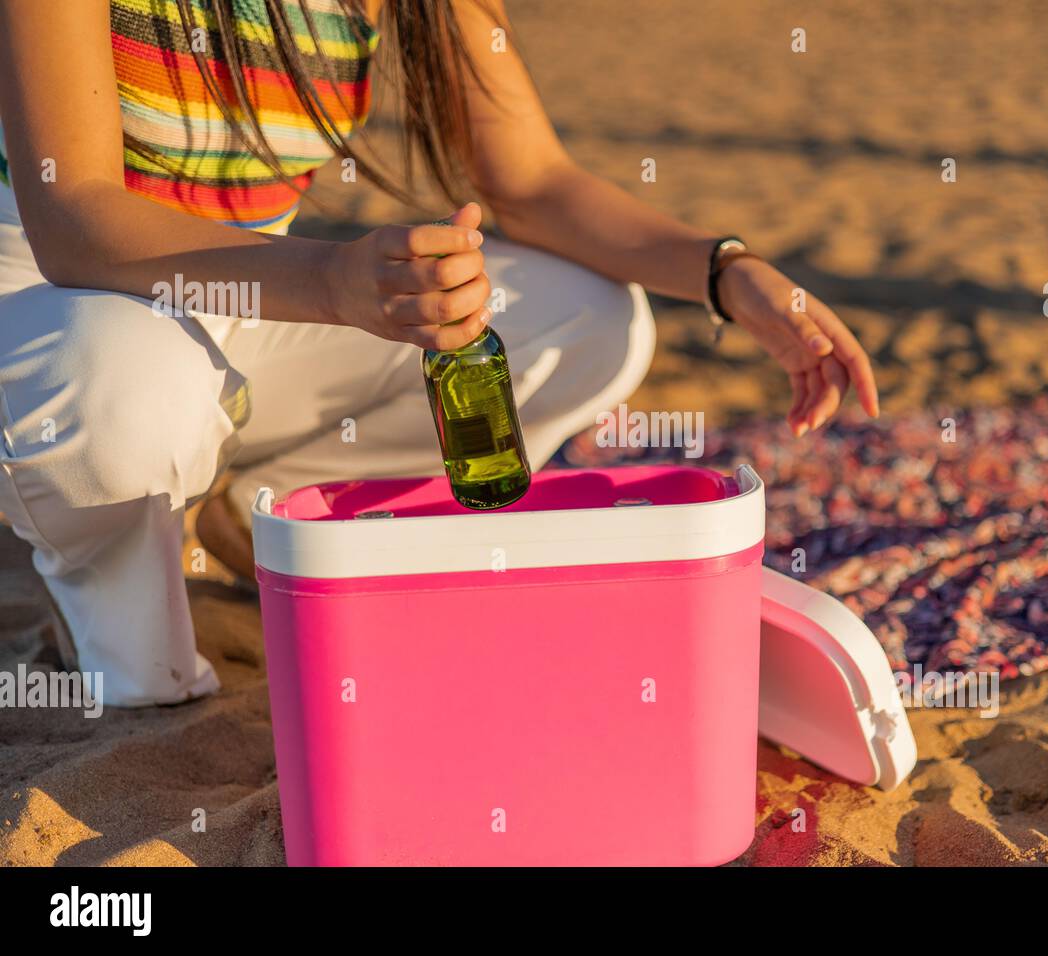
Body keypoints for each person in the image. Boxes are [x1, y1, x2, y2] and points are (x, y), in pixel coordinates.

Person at [0, 0, 878, 706]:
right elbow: (74, 217)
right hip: (47, 301)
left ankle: (247, 510)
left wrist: (731, 275)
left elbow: (532, 182)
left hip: (249, 288)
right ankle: (117, 610)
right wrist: (339, 285)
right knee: (115, 379)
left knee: (589, 318)